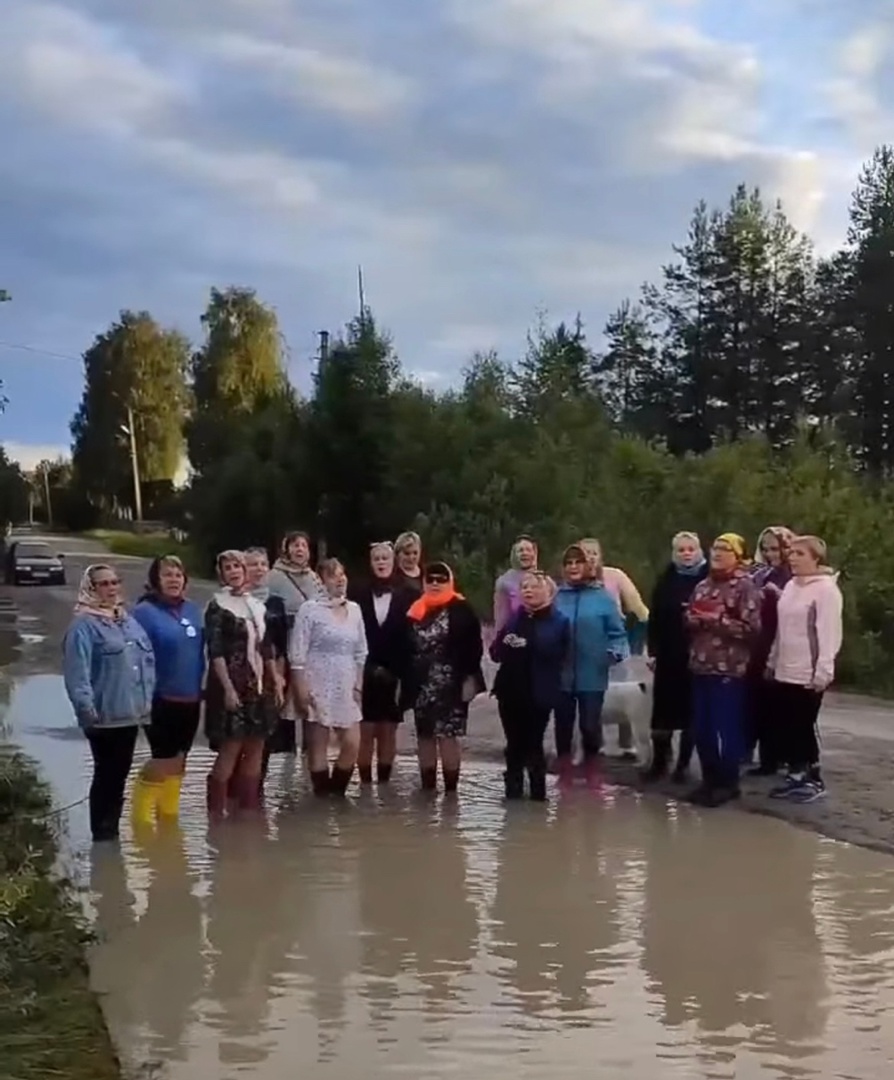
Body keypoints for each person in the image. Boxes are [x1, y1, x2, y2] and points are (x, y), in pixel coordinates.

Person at [62, 565, 155, 842]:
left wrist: (147, 700)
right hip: (103, 713)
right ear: (91, 588)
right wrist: (85, 708)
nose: (111, 588)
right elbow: (77, 672)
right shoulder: (83, 626)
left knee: (119, 775)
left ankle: (111, 833)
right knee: (106, 775)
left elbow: (146, 663)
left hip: (131, 711)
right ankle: (102, 836)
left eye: (115, 582)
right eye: (103, 584)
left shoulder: (126, 620)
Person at [685, 533, 762, 807]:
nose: (717, 553)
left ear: (738, 556)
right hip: (700, 666)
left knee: (725, 728)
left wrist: (717, 620)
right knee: (701, 728)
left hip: (728, 669)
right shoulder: (703, 585)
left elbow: (753, 630)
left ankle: (728, 783)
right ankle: (709, 780)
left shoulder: (745, 587)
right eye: (715, 547)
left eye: (725, 549)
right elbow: (690, 618)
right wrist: (693, 618)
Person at [204, 550, 282, 816]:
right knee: (231, 748)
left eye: (237, 566)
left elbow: (266, 646)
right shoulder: (217, 605)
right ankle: (216, 817)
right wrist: (226, 688)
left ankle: (247, 815)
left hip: (259, 685)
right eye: (228, 567)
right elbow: (215, 651)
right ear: (221, 574)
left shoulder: (257, 605)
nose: (234, 571)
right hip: (232, 684)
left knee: (257, 746)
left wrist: (276, 679)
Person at [766, 535, 843, 803]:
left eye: (800, 553)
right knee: (787, 725)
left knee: (803, 725)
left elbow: (828, 632)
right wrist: (773, 659)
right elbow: (782, 628)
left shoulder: (825, 590)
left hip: (808, 671)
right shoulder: (790, 586)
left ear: (816, 558)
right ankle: (796, 774)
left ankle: (813, 779)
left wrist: (824, 669)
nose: (793, 558)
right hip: (785, 666)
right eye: (792, 553)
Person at [130, 555, 205, 824]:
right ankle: (140, 820)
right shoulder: (144, 613)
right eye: (167, 575)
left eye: (178, 574)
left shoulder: (193, 610)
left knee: (181, 759)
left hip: (191, 697)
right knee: (162, 759)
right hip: (159, 699)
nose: (173, 579)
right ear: (155, 580)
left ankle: (168, 818)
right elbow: (134, 657)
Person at [400, 562, 485, 794]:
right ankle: (427, 790)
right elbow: (404, 648)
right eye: (431, 579)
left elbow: (474, 649)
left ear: (450, 582)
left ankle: (450, 793)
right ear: (424, 583)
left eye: (441, 579)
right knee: (424, 736)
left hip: (452, 685)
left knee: (448, 736)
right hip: (421, 685)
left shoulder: (461, 608)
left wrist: (470, 679)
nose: (435, 584)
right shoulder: (415, 610)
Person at [290, 558, 368, 796]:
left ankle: (338, 792)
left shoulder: (354, 610)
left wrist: (358, 685)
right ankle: (322, 799)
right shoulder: (309, 610)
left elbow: (361, 651)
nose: (340, 579)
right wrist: (301, 688)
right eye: (334, 575)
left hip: (346, 680)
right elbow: (297, 653)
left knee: (352, 742)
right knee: (318, 744)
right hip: (317, 679)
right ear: (322, 581)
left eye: (342, 574)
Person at [552, 544, 630, 785]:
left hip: (592, 671)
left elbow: (618, 633)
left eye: (578, 562)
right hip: (561, 672)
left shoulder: (603, 598)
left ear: (589, 567)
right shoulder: (556, 597)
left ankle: (592, 770)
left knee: (589, 724)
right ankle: (564, 770)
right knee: (563, 723)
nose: (573, 567)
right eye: (569, 563)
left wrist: (615, 653)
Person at [490, 570, 569, 800]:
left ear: (549, 592)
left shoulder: (560, 621)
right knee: (513, 745)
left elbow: (560, 654)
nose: (529, 591)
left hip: (539, 692)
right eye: (525, 587)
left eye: (534, 586)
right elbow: (495, 653)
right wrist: (506, 643)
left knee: (533, 744)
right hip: (509, 691)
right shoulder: (515, 617)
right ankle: (512, 796)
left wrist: (528, 644)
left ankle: (538, 797)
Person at [642, 532, 707, 783]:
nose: (686, 554)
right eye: (681, 550)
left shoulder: (707, 577)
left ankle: (683, 766)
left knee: (691, 712)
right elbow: (655, 616)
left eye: (691, 549)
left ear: (699, 550)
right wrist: (653, 650)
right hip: (668, 654)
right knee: (663, 712)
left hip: (696, 653)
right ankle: (660, 762)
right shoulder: (666, 578)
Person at [579, 537, 648, 760]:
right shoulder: (573, 579)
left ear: (601, 556)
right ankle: (593, 743)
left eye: (593, 553)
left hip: (615, 641)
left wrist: (650, 628)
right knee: (592, 693)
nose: (589, 557)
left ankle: (627, 744)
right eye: (584, 553)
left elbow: (637, 606)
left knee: (625, 692)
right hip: (586, 645)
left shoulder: (615, 576)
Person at [351, 541, 414, 785]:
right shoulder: (356, 592)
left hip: (395, 672)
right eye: (376, 558)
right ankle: (365, 787)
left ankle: (385, 786)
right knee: (365, 731)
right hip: (363, 670)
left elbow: (412, 636)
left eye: (384, 558)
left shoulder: (408, 593)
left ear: (393, 562)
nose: (380, 563)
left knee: (388, 731)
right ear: (371, 562)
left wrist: (403, 674)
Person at [265, 530, 324, 756]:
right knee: (284, 703)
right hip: (284, 644)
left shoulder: (314, 578)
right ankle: (284, 756)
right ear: (286, 549)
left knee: (309, 702)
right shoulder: (274, 576)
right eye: (295, 545)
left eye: (304, 546)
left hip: (311, 647)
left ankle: (312, 759)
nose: (299, 550)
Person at [745, 526, 793, 774]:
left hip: (780, 641)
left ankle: (776, 758)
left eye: (775, 548)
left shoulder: (792, 575)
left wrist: (777, 594)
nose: (770, 553)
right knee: (755, 699)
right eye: (765, 548)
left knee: (775, 703)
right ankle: (758, 755)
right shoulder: (759, 572)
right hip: (756, 641)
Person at [244, 547, 291, 791]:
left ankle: (256, 792)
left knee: (265, 738)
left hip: (271, 676)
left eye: (263, 564)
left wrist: (280, 679)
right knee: (239, 738)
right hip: (241, 676)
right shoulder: (233, 599)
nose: (259, 569)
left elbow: (282, 646)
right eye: (253, 564)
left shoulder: (276, 603)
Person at [493, 535, 539, 633]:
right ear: (514, 554)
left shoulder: (544, 580)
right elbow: (501, 618)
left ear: (534, 554)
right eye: (520, 550)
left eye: (528, 550)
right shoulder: (504, 581)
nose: (524, 553)